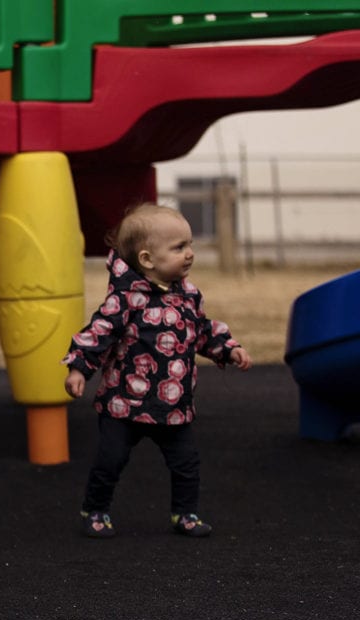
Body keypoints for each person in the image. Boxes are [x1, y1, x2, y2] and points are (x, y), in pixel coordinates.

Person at [62, 203, 252, 539]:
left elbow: (202, 331)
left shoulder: (188, 296)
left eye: (190, 244)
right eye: (178, 247)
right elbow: (99, 333)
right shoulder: (125, 299)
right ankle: (95, 510)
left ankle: (185, 513)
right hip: (124, 404)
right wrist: (79, 368)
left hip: (173, 406)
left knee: (186, 463)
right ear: (148, 259)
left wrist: (228, 348)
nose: (189, 253)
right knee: (110, 460)